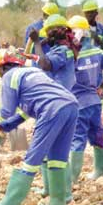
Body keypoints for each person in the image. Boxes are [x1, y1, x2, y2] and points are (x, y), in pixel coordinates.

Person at [0, 48, 79, 205]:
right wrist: (4, 126)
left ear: (2, 67)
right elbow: (23, 113)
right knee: (58, 158)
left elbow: (6, 111)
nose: (1, 77)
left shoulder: (10, 76)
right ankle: (58, 202)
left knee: (33, 158)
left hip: (51, 109)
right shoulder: (32, 73)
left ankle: (10, 204)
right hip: (70, 105)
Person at [28, 13, 78, 193]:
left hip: (57, 106)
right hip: (55, 104)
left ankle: (63, 192)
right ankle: (50, 190)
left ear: (59, 32)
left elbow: (45, 64)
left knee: (55, 151)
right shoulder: (58, 49)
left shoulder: (63, 51)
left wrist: (36, 43)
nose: (47, 35)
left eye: (49, 32)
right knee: (50, 150)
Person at [67, 15, 103, 187]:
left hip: (79, 104)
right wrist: (102, 85)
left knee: (77, 138)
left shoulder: (72, 54)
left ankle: (72, 178)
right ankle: (100, 171)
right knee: (97, 135)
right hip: (95, 103)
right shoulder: (97, 52)